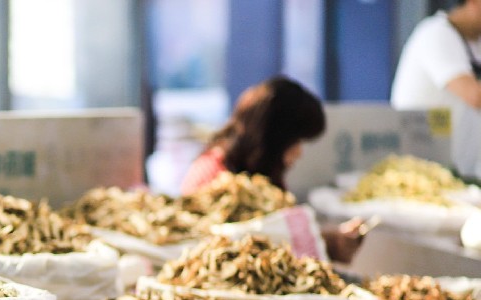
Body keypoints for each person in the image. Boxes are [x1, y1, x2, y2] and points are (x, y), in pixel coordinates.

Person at [180, 76, 364, 263]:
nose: (299, 152)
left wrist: (328, 242)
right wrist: (326, 244)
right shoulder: (209, 176)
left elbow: (277, 236)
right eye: (295, 141)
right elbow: (228, 250)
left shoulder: (266, 178)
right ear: (272, 139)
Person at [391, 0, 481, 179]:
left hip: (462, 171)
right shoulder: (436, 33)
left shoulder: (475, 42)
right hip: (422, 174)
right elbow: (475, 96)